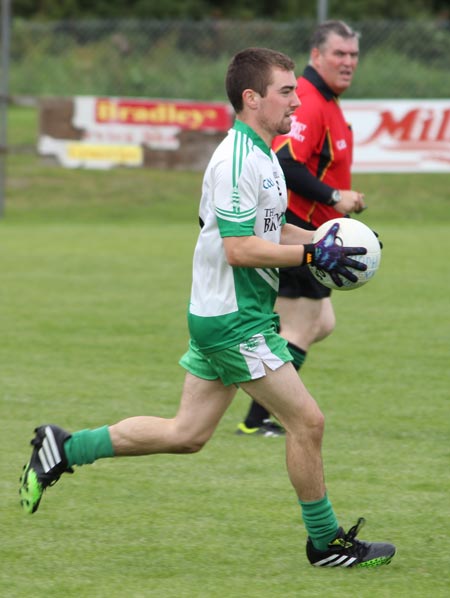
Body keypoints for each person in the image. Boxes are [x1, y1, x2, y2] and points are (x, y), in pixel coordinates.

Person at [19, 47, 395, 568]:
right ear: (251, 98)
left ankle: (64, 448)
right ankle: (326, 543)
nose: (296, 100)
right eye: (286, 91)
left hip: (231, 313)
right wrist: (312, 253)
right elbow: (239, 249)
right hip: (232, 318)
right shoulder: (236, 159)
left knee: (187, 434)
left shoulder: (265, 154)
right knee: (307, 422)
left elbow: (268, 229)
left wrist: (329, 238)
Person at [237, 20, 367, 437]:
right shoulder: (309, 99)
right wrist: (334, 198)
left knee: (319, 322)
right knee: (303, 324)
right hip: (300, 230)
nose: (347, 62)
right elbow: (289, 162)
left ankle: (256, 360)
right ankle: (259, 419)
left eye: (353, 55)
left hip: (312, 232)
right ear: (316, 56)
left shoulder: (325, 99)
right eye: (338, 54)